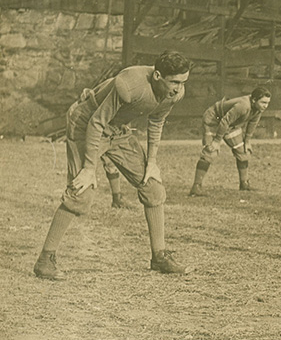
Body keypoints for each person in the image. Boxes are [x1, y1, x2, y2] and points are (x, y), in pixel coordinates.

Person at [34, 51, 192, 280]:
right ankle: (44, 261)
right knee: (81, 193)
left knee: (153, 187)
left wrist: (153, 163)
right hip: (86, 123)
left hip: (117, 129)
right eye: (174, 82)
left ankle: (159, 257)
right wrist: (89, 169)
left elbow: (156, 121)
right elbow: (96, 123)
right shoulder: (130, 84)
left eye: (183, 82)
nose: (179, 88)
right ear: (157, 75)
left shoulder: (174, 94)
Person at [188, 87, 272, 196]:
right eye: (263, 102)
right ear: (254, 100)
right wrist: (217, 141)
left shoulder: (258, 108)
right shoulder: (243, 105)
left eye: (267, 103)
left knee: (243, 152)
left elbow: (252, 123)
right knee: (210, 152)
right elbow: (224, 121)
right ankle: (196, 187)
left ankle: (244, 184)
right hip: (214, 120)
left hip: (231, 124)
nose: (266, 106)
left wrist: (247, 141)